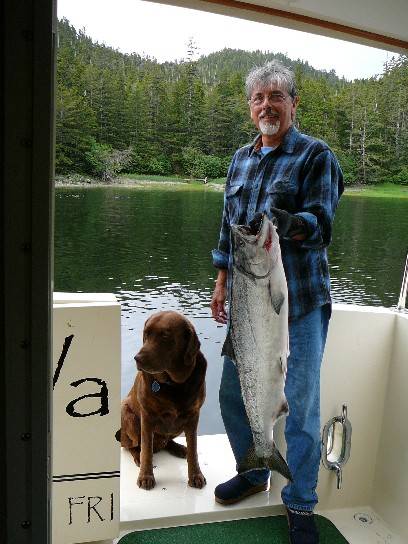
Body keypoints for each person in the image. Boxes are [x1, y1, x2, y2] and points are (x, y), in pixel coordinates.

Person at [210, 60, 343, 544]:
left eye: (276, 97)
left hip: (300, 304)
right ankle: (254, 468)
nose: (266, 105)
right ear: (251, 107)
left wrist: (289, 225)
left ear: (293, 103)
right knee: (232, 394)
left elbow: (321, 224)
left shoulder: (315, 156)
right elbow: (228, 227)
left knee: (301, 408)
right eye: (258, 98)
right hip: (247, 303)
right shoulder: (240, 160)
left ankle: (301, 503)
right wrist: (221, 279)